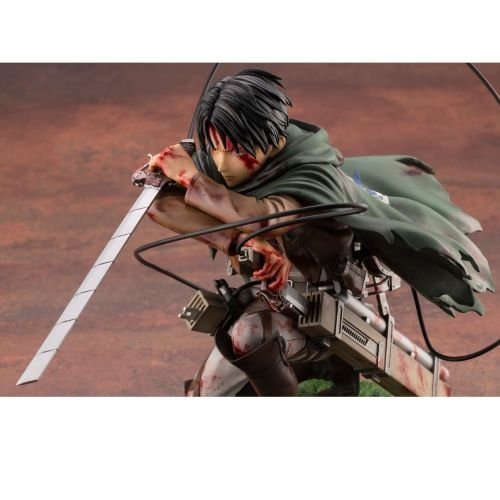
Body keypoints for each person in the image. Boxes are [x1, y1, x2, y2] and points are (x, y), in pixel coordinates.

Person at [144, 68, 494, 396]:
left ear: (266, 137)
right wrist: (237, 242)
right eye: (215, 148)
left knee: (250, 336)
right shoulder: (231, 165)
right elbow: (158, 201)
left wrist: (192, 178)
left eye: (234, 150)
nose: (221, 163)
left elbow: (264, 217)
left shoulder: (313, 176)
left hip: (323, 312)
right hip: (268, 301)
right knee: (205, 391)